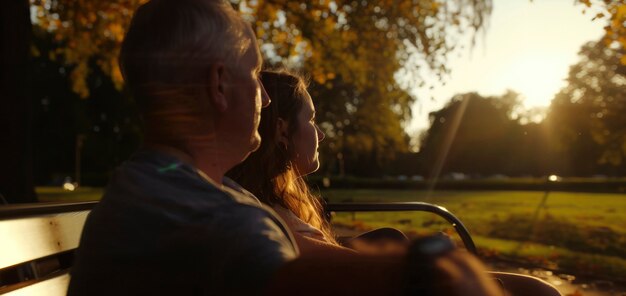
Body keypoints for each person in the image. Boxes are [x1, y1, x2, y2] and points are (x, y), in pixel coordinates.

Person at [68, 0, 507, 295]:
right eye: (255, 73)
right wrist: (432, 269)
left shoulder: (154, 189)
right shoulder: (203, 215)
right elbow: (295, 279)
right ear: (220, 85)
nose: (264, 96)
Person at [228, 70, 562, 296]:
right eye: (312, 120)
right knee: (540, 292)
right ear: (283, 132)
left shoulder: (267, 201)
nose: (322, 133)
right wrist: (426, 258)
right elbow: (340, 269)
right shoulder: (256, 215)